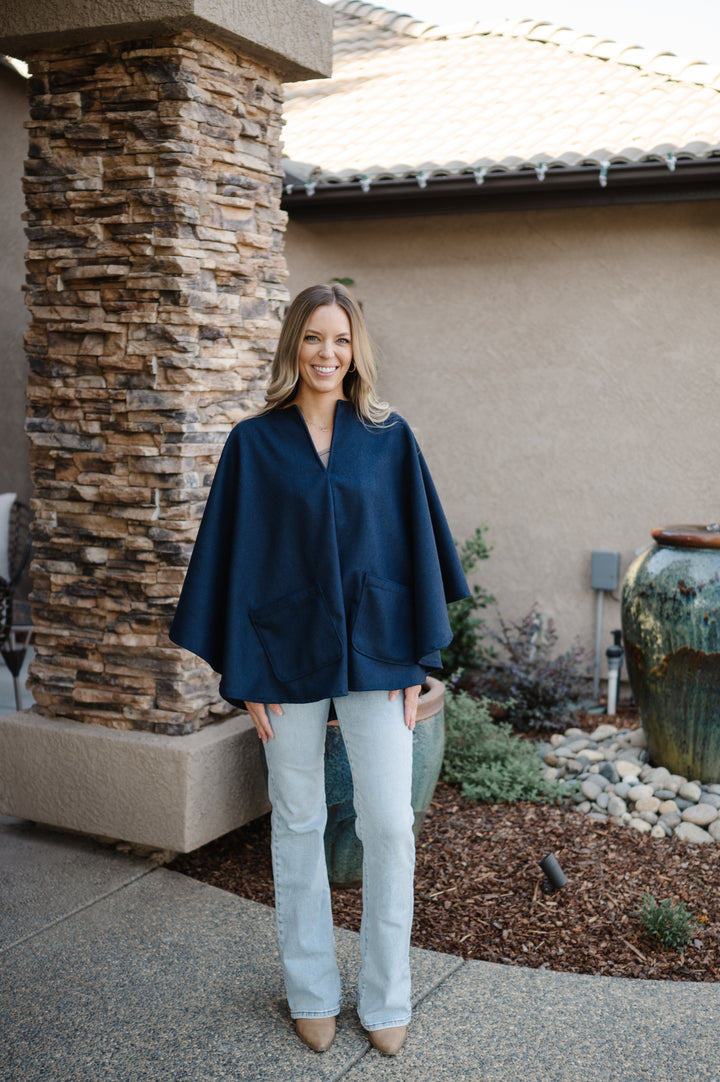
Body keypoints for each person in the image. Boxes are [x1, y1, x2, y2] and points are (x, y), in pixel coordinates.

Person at [170, 283, 469, 1056]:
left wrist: (415, 660)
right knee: (298, 822)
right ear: (292, 347)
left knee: (390, 825)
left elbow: (414, 549)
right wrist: (245, 678)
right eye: (312, 338)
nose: (326, 354)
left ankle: (386, 996)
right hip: (282, 652)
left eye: (339, 339)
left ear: (356, 348)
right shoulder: (254, 444)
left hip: (377, 651)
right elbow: (233, 564)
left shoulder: (389, 438)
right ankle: (310, 988)